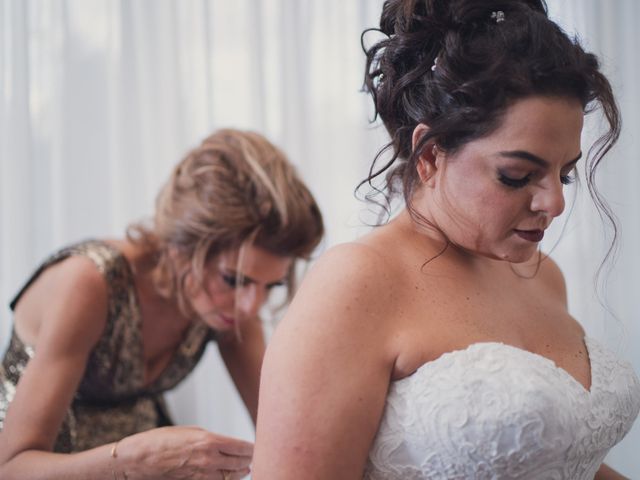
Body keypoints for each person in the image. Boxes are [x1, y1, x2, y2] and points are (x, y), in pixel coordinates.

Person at [252, 1, 640, 479]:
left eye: (566, 173)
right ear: (431, 155)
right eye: (518, 175)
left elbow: (553, 460)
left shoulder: (541, 275)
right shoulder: (356, 282)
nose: (555, 204)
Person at [0, 128, 324, 480]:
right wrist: (128, 461)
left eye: (270, 285)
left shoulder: (227, 306)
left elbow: (282, 430)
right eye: (234, 279)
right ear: (182, 247)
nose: (250, 306)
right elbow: (12, 466)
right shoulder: (89, 282)